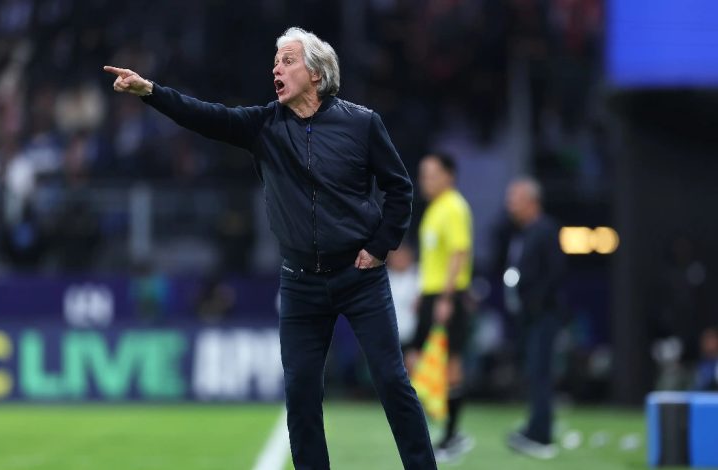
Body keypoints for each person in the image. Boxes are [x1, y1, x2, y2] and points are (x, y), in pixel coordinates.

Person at [104, 27, 436, 470]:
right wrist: (151, 92)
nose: (276, 68)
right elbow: (208, 117)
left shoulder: (362, 123)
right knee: (301, 393)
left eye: (287, 60)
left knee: (392, 381)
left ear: (316, 73)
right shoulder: (264, 125)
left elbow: (400, 189)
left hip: (359, 276)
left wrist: (380, 247)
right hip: (301, 283)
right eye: (275, 62)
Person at [406, 152, 475, 462]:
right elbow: (435, 257)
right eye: (423, 175)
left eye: (432, 174)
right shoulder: (434, 208)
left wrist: (446, 298)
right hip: (432, 294)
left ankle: (452, 434)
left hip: (448, 295)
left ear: (449, 176)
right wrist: (423, 293)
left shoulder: (454, 207)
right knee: (415, 359)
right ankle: (438, 423)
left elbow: (459, 252)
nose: (426, 181)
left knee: (451, 365)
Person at [503, 176, 566, 459]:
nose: (510, 204)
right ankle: (534, 428)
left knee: (541, 373)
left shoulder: (546, 229)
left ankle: (541, 436)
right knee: (534, 372)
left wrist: (536, 303)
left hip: (544, 315)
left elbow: (556, 272)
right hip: (530, 316)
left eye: (514, 198)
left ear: (531, 201)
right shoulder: (525, 232)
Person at [387, 244, 419, 347]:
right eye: (396, 256)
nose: (399, 259)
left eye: (402, 255)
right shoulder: (384, 277)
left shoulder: (418, 274)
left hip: (415, 337)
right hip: (389, 339)